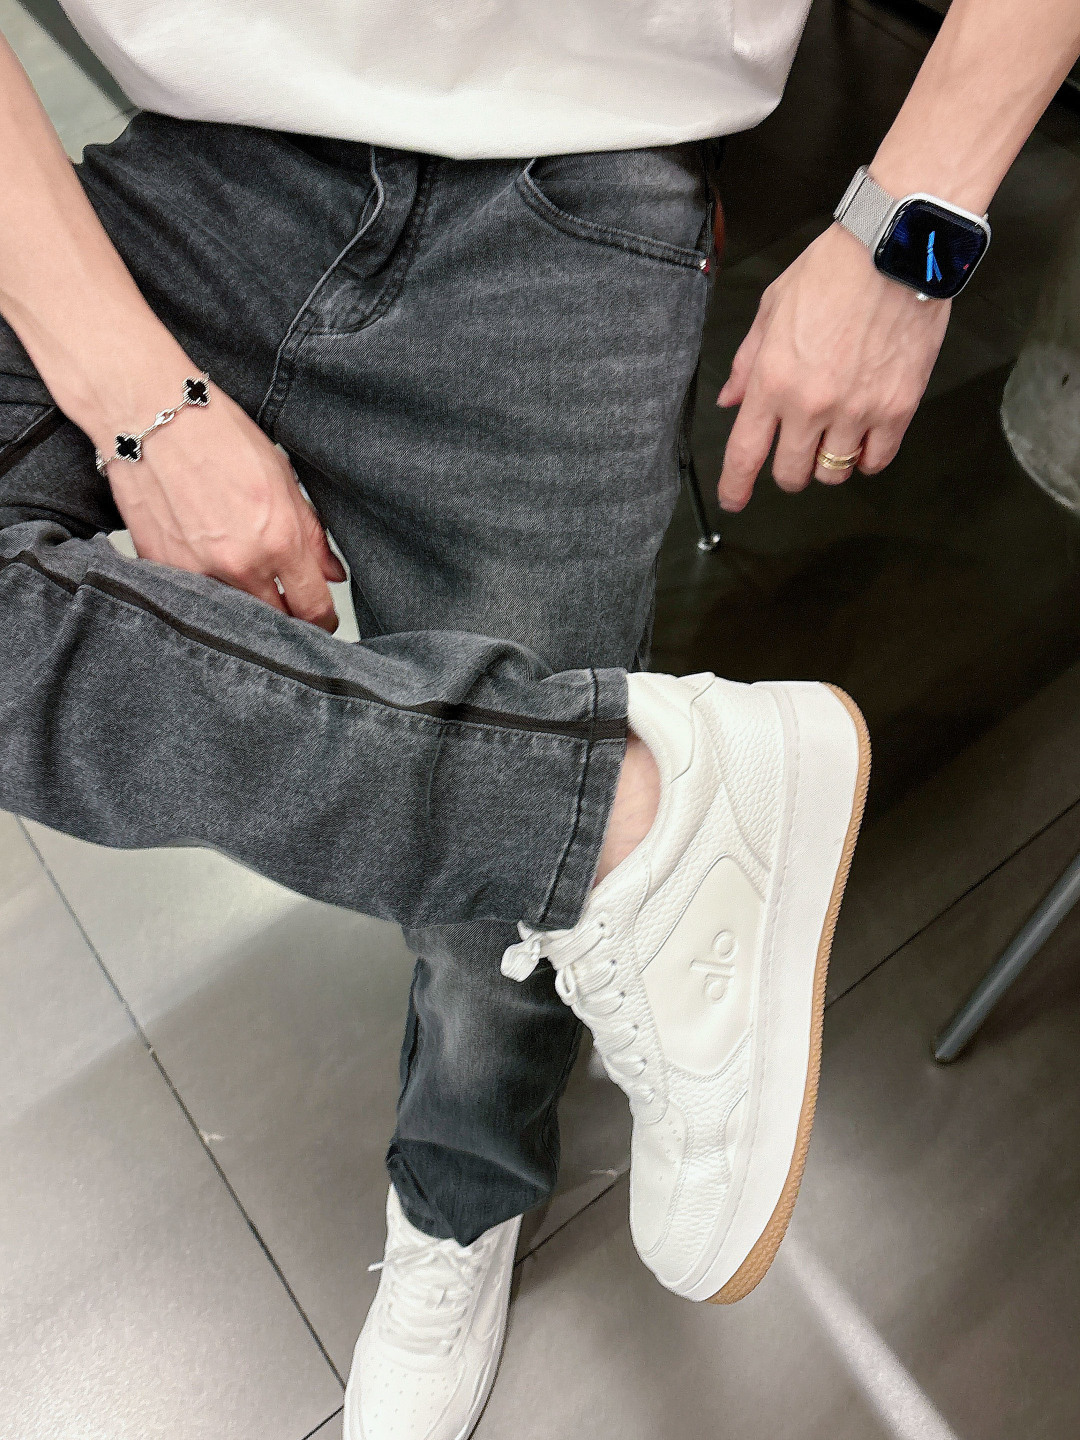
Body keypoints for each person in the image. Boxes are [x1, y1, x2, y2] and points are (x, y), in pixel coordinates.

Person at [1, 2, 1077, 1437]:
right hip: (205, 159)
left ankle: (463, 1194)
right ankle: (638, 815)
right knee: (530, 826)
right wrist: (141, 400)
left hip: (585, 177)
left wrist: (911, 226)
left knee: (487, 916)